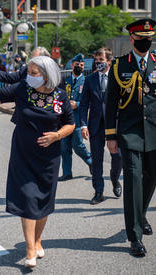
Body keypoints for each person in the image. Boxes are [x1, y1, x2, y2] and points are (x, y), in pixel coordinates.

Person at [0, 56, 75, 268]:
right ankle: (29, 249)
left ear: (47, 75)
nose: (29, 76)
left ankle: (37, 240)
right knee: (28, 199)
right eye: (29, 72)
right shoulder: (22, 89)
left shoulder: (60, 96)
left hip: (49, 158)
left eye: (34, 73)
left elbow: (70, 124)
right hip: (23, 155)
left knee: (44, 202)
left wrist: (56, 136)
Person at [105, 18, 156, 257]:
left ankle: (141, 215)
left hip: (154, 132)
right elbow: (110, 104)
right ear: (131, 39)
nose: (146, 42)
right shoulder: (118, 66)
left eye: (149, 39)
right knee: (134, 180)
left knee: (151, 177)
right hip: (129, 132)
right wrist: (110, 135)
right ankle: (134, 237)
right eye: (142, 39)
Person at [79, 47, 122, 205]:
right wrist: (83, 125)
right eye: (96, 61)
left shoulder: (117, 78)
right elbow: (83, 105)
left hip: (115, 124)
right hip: (96, 125)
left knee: (117, 157)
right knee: (97, 159)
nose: (98, 63)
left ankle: (115, 179)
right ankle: (98, 191)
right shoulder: (89, 80)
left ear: (109, 61)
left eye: (101, 61)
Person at [58, 54, 92, 181]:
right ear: (72, 65)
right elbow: (58, 96)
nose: (79, 67)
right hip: (65, 119)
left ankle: (90, 160)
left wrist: (77, 104)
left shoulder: (87, 81)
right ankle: (67, 172)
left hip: (78, 119)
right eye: (77, 64)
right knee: (64, 146)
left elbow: (90, 101)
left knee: (77, 144)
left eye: (82, 65)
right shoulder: (65, 80)